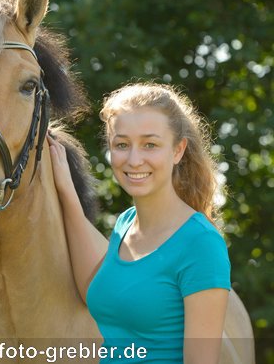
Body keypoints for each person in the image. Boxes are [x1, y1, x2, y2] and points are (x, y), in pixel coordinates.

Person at [48, 82, 230, 363]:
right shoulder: (125, 223)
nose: (134, 160)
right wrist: (66, 193)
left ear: (178, 150)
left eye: (150, 145)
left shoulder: (201, 244)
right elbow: (97, 291)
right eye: (122, 145)